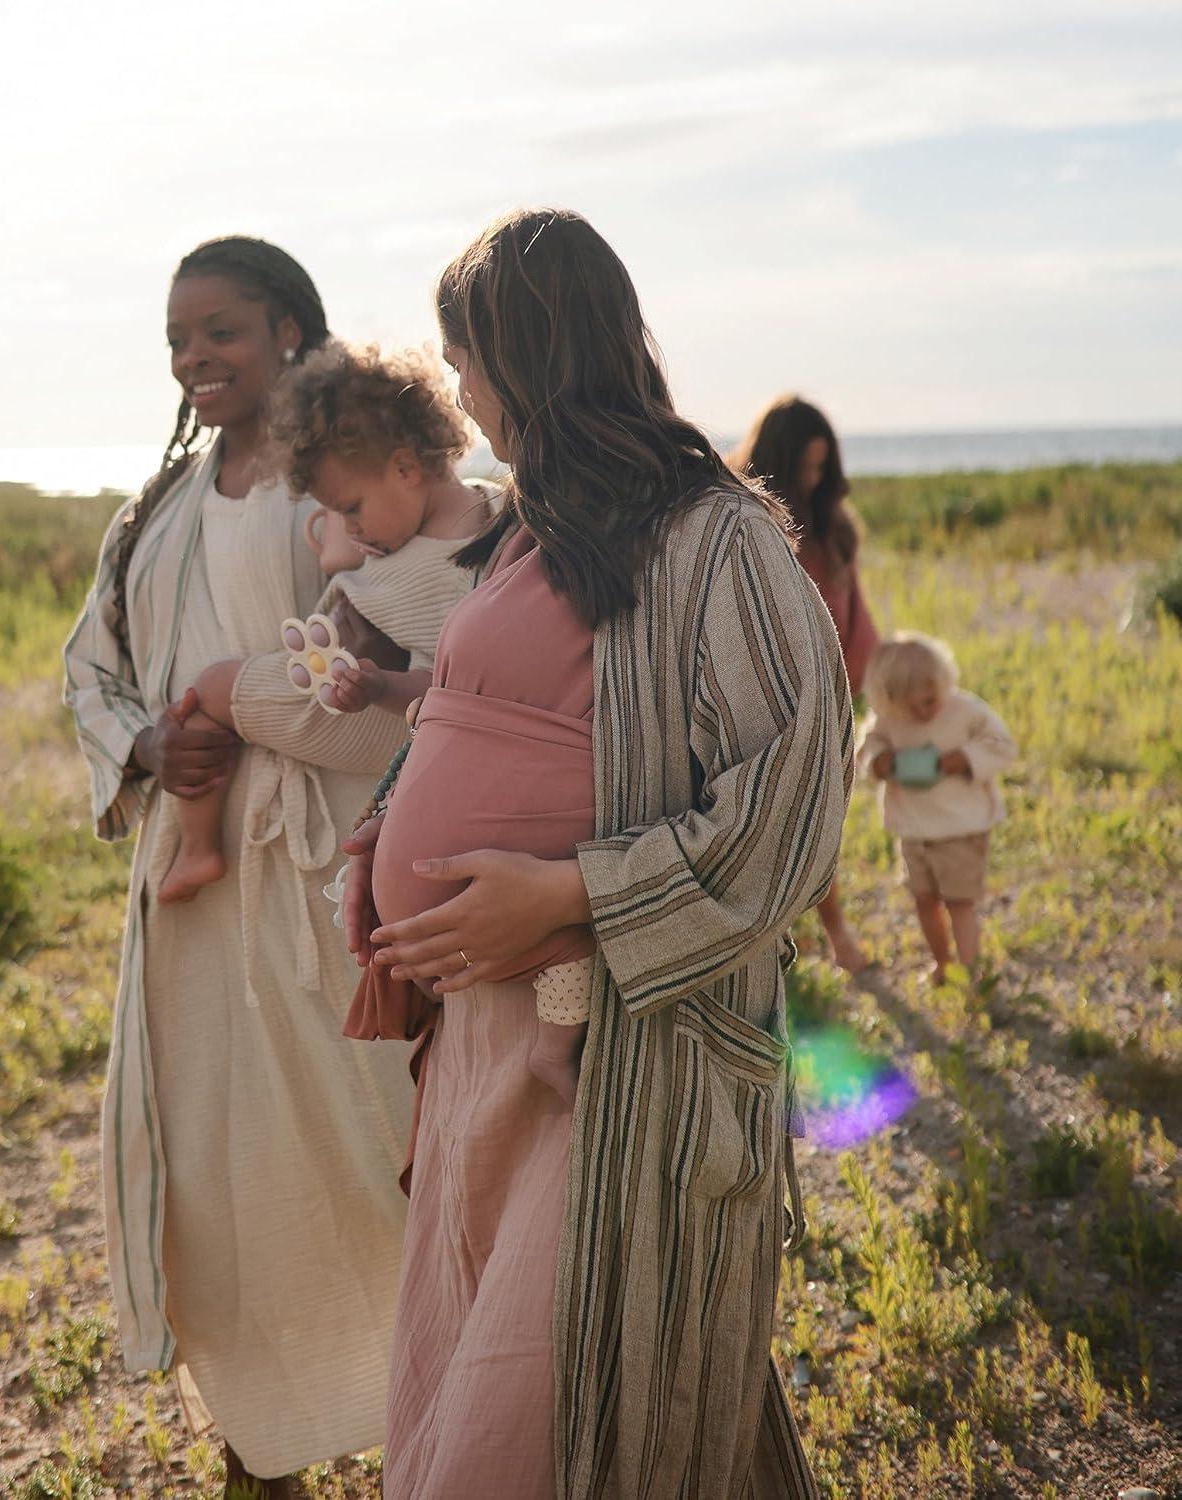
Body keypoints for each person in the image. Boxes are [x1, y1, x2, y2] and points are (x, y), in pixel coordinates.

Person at [342, 209, 852, 1499]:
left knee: (548, 1419)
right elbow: (496, 717)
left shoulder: (714, 535)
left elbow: (790, 804)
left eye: (467, 365)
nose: (460, 400)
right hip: (488, 1048)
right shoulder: (534, 525)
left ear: (528, 354)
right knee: (507, 1391)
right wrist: (391, 821)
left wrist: (570, 896)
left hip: (619, 1060)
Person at [62, 236, 415, 1498]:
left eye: (219, 329)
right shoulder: (151, 512)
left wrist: (248, 709)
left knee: (391, 1147)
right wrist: (154, 743)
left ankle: (437, 1418)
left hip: (339, 871)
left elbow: (415, 655)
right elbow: (87, 668)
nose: (194, 357)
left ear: (288, 330)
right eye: (177, 339)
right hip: (196, 895)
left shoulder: (359, 487)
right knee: (226, 1180)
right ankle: (263, 1442)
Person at [155, 340, 488, 902]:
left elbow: (453, 690)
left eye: (350, 508)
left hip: (380, 716)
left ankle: (197, 849)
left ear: (405, 467)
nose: (347, 527)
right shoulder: (472, 519)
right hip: (361, 687)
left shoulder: (458, 563)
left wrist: (381, 685)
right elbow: (344, 564)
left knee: (209, 688)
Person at [733, 395, 877, 975]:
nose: (815, 479)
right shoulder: (749, 524)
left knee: (821, 824)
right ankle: (789, 941)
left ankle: (834, 935)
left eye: (823, 467)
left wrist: (866, 679)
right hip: (768, 703)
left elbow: (855, 612)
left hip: (830, 702)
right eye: (805, 467)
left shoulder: (832, 529)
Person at [858, 632, 1016, 985]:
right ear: (889, 700)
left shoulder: (965, 711)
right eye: (911, 706)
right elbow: (868, 745)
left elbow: (1002, 744)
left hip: (960, 828)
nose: (922, 712)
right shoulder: (888, 720)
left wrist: (966, 758)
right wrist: (879, 762)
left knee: (960, 903)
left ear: (944, 683)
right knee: (923, 901)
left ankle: (971, 972)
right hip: (914, 829)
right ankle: (943, 964)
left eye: (929, 701)